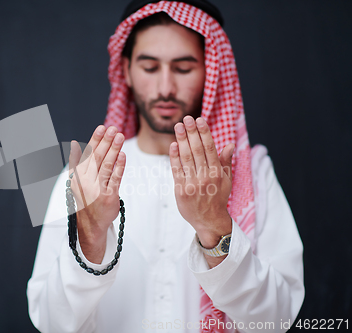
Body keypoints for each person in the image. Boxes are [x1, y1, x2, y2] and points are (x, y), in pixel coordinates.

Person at [27, 1, 305, 332]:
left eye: (184, 68)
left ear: (210, 71)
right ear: (126, 70)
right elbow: (51, 323)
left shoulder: (251, 174)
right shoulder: (87, 177)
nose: (165, 88)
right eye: (149, 67)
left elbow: (277, 321)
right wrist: (89, 235)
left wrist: (215, 226)